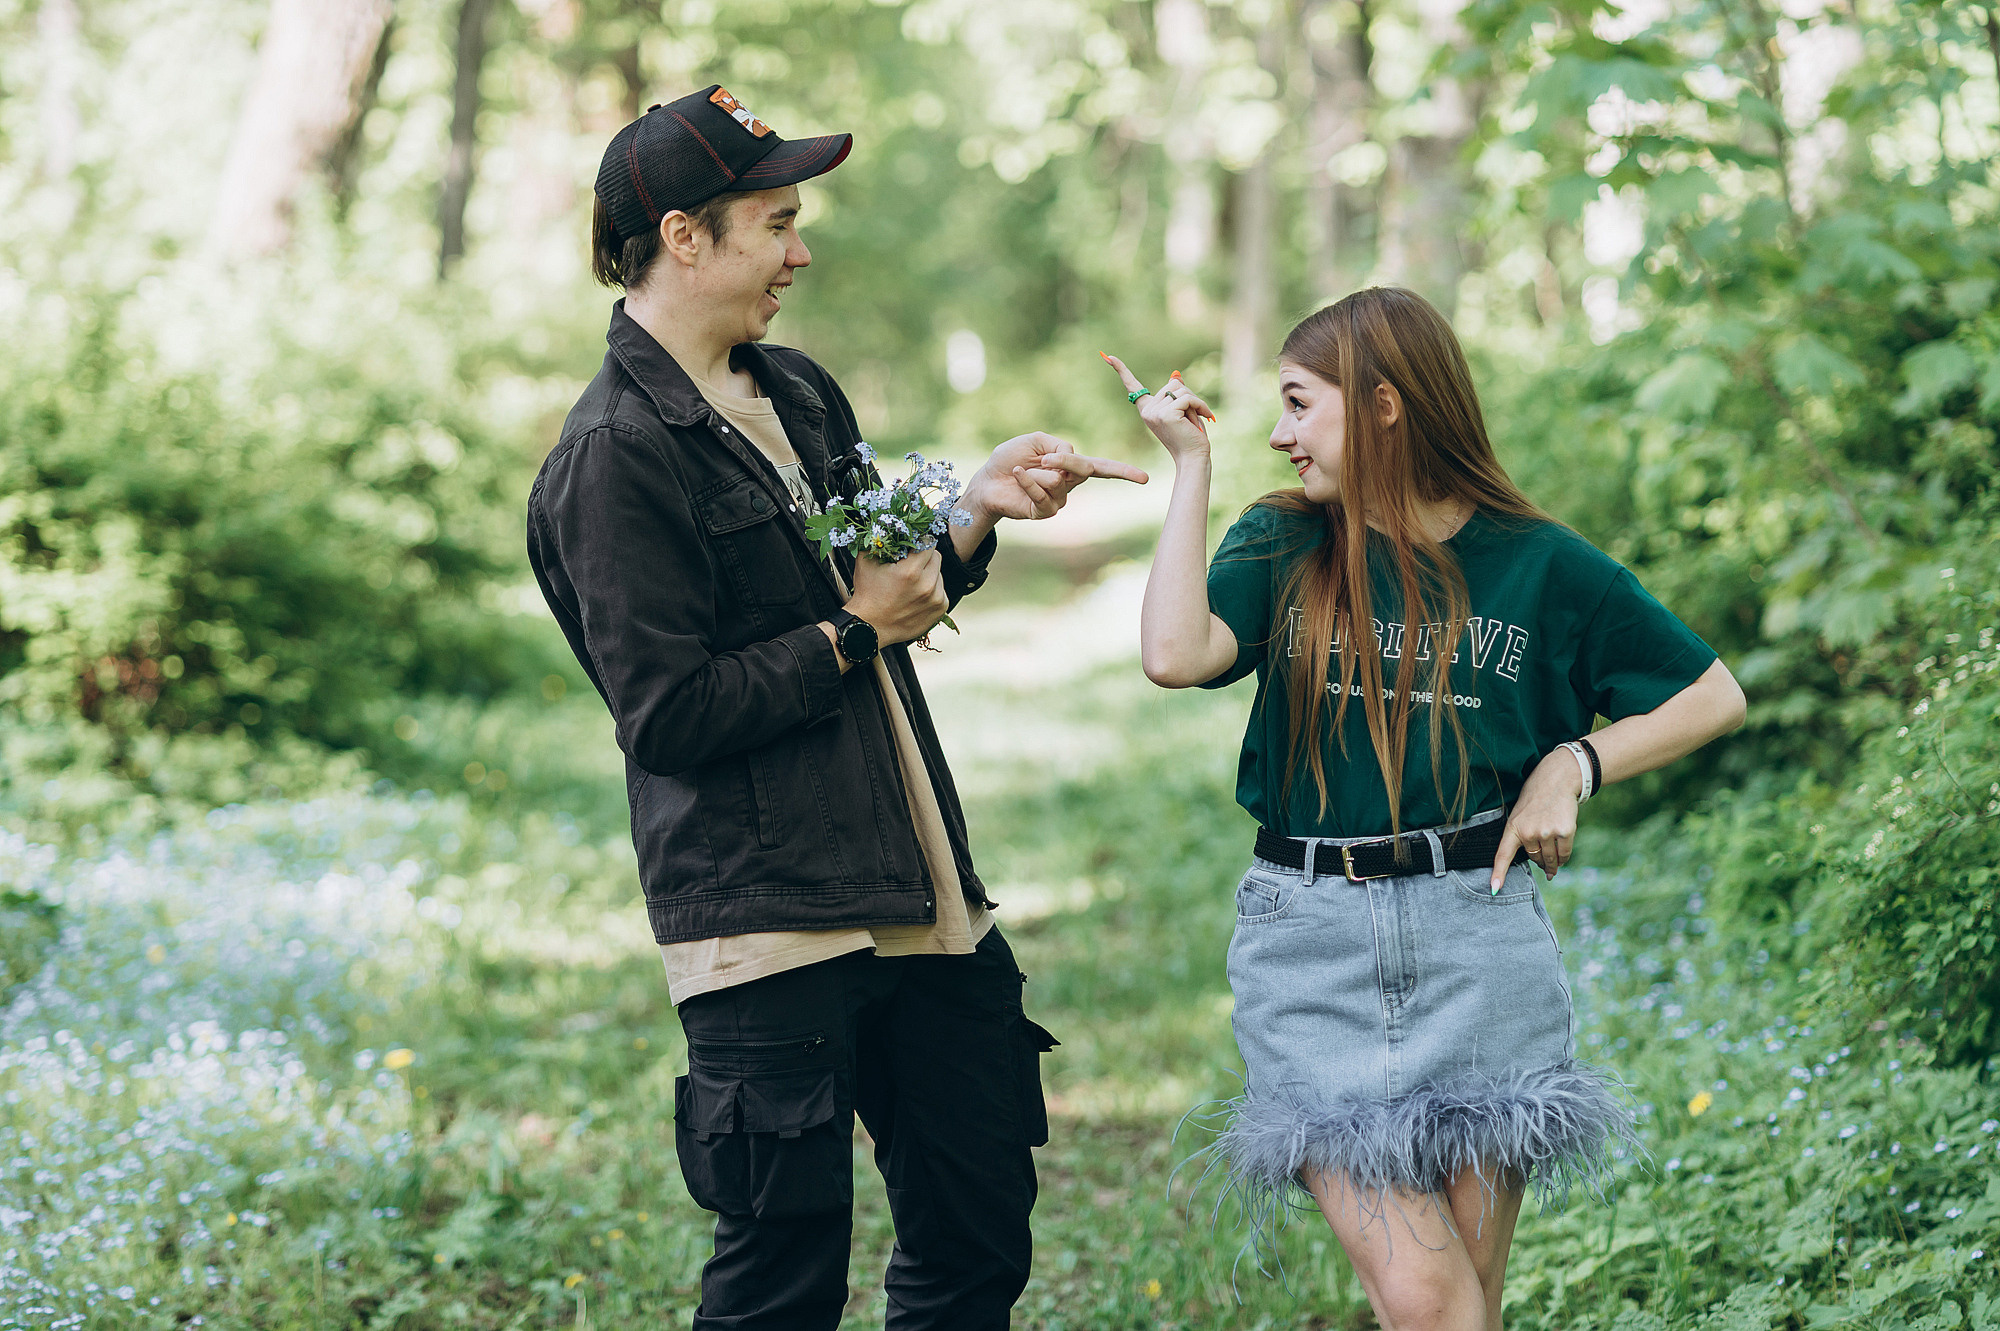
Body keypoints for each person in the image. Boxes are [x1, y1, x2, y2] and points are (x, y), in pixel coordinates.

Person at [528, 85, 1146, 1330]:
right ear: (684, 236)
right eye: (775, 221)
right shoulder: (612, 457)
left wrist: (970, 512)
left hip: (920, 892)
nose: (800, 250)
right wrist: (851, 633)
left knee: (977, 1235)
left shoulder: (798, 392)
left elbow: (875, 580)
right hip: (765, 920)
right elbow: (668, 715)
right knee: (780, 1286)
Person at [1103, 287, 1745, 1329]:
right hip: (1308, 947)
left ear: (1385, 404)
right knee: (1432, 1298)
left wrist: (1572, 762)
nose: (1278, 432)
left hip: (1475, 940)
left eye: (1300, 403)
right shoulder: (1283, 543)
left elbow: (1711, 692)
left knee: (1457, 1307)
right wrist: (1188, 467)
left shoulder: (1539, 564)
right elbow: (1176, 655)